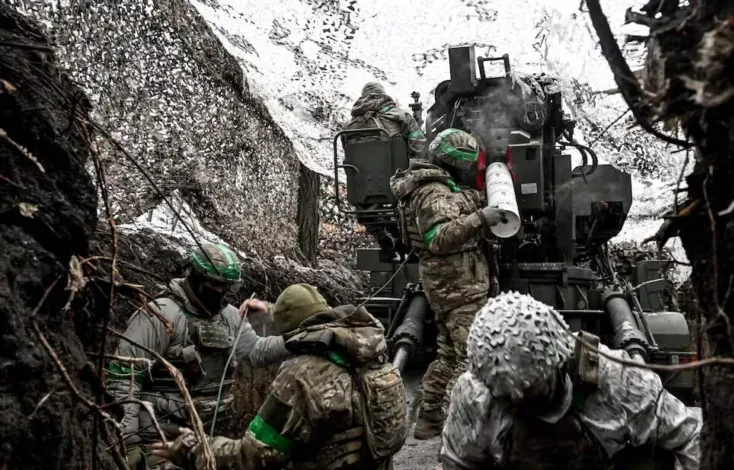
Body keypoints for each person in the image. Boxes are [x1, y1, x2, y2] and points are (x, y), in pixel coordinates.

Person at [151, 283, 407, 470]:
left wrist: (193, 449)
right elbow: (310, 317)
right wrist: (273, 310)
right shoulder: (372, 349)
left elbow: (253, 457)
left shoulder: (301, 376)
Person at [439, 291, 702, 470]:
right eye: (503, 393)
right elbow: (459, 463)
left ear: (559, 364)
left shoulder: (619, 379)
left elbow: (689, 435)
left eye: (528, 386)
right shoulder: (475, 393)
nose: (516, 397)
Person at [107, 242, 291, 469]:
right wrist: (127, 444)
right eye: (216, 285)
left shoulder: (229, 316)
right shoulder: (160, 314)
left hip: (206, 443)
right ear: (194, 276)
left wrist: (297, 340)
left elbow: (256, 351)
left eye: (228, 287)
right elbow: (124, 378)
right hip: (160, 443)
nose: (222, 293)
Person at [388, 128, 508, 439]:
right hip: (457, 287)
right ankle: (460, 428)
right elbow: (439, 238)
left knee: (449, 355)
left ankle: (428, 419)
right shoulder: (433, 192)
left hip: (452, 285)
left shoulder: (436, 187)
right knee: (471, 358)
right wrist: (480, 218)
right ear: (456, 163)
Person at [343, 81, 426, 159]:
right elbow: (419, 149)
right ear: (383, 94)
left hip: (359, 174)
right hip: (399, 173)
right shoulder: (403, 116)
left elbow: (349, 157)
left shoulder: (347, 128)